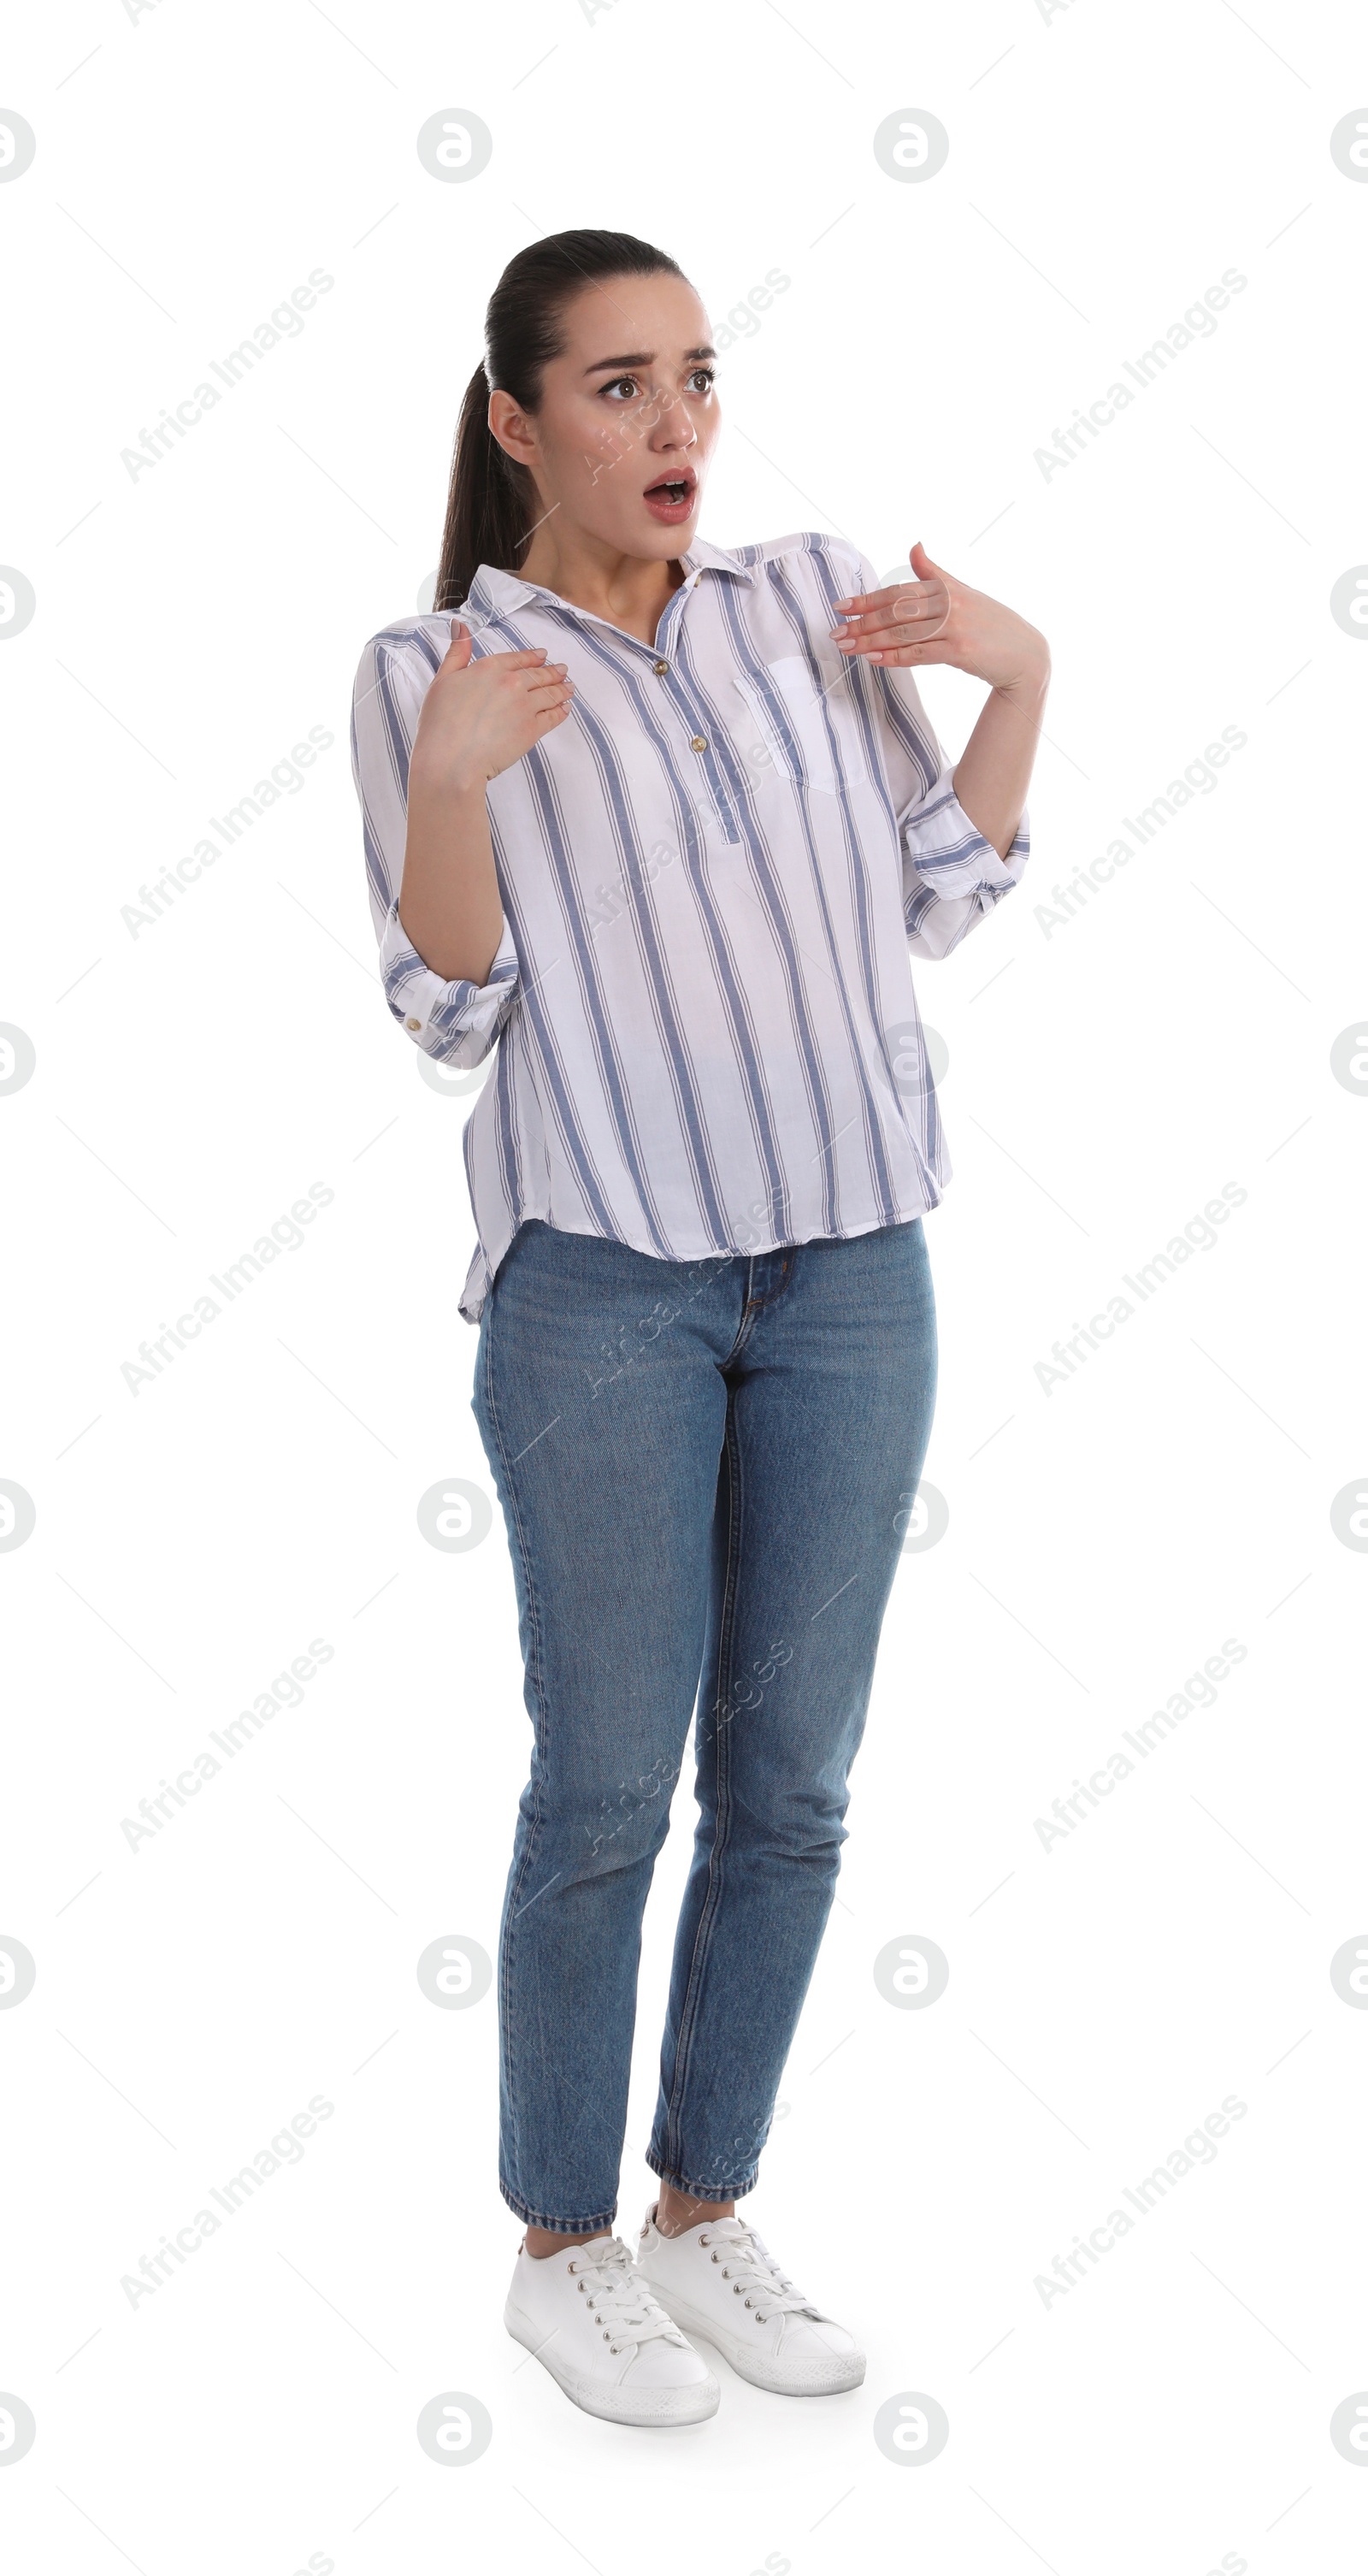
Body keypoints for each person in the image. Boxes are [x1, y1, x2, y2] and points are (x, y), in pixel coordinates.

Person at [351, 227, 1047, 2427]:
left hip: (852, 1269)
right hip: (604, 1290)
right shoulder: (427, 665)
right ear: (516, 422)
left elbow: (943, 892)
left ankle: (703, 2207)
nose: (675, 426)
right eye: (621, 387)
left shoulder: (810, 597)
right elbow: (449, 1012)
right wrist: (456, 781)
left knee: (795, 1786)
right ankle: (560, 2248)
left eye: (696, 378)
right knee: (602, 1787)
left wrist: (1016, 678)